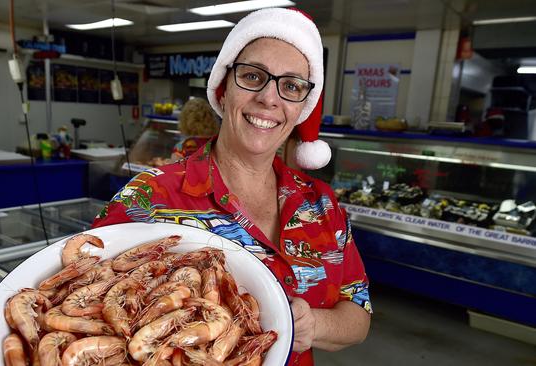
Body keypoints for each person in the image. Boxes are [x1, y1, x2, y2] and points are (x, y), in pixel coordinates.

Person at [93, 7, 371, 365]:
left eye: (291, 86)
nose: (270, 98)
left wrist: (312, 324)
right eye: (253, 77)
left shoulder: (322, 206)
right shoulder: (149, 196)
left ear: (301, 108)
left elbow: (358, 315)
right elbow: (91, 307)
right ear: (223, 91)